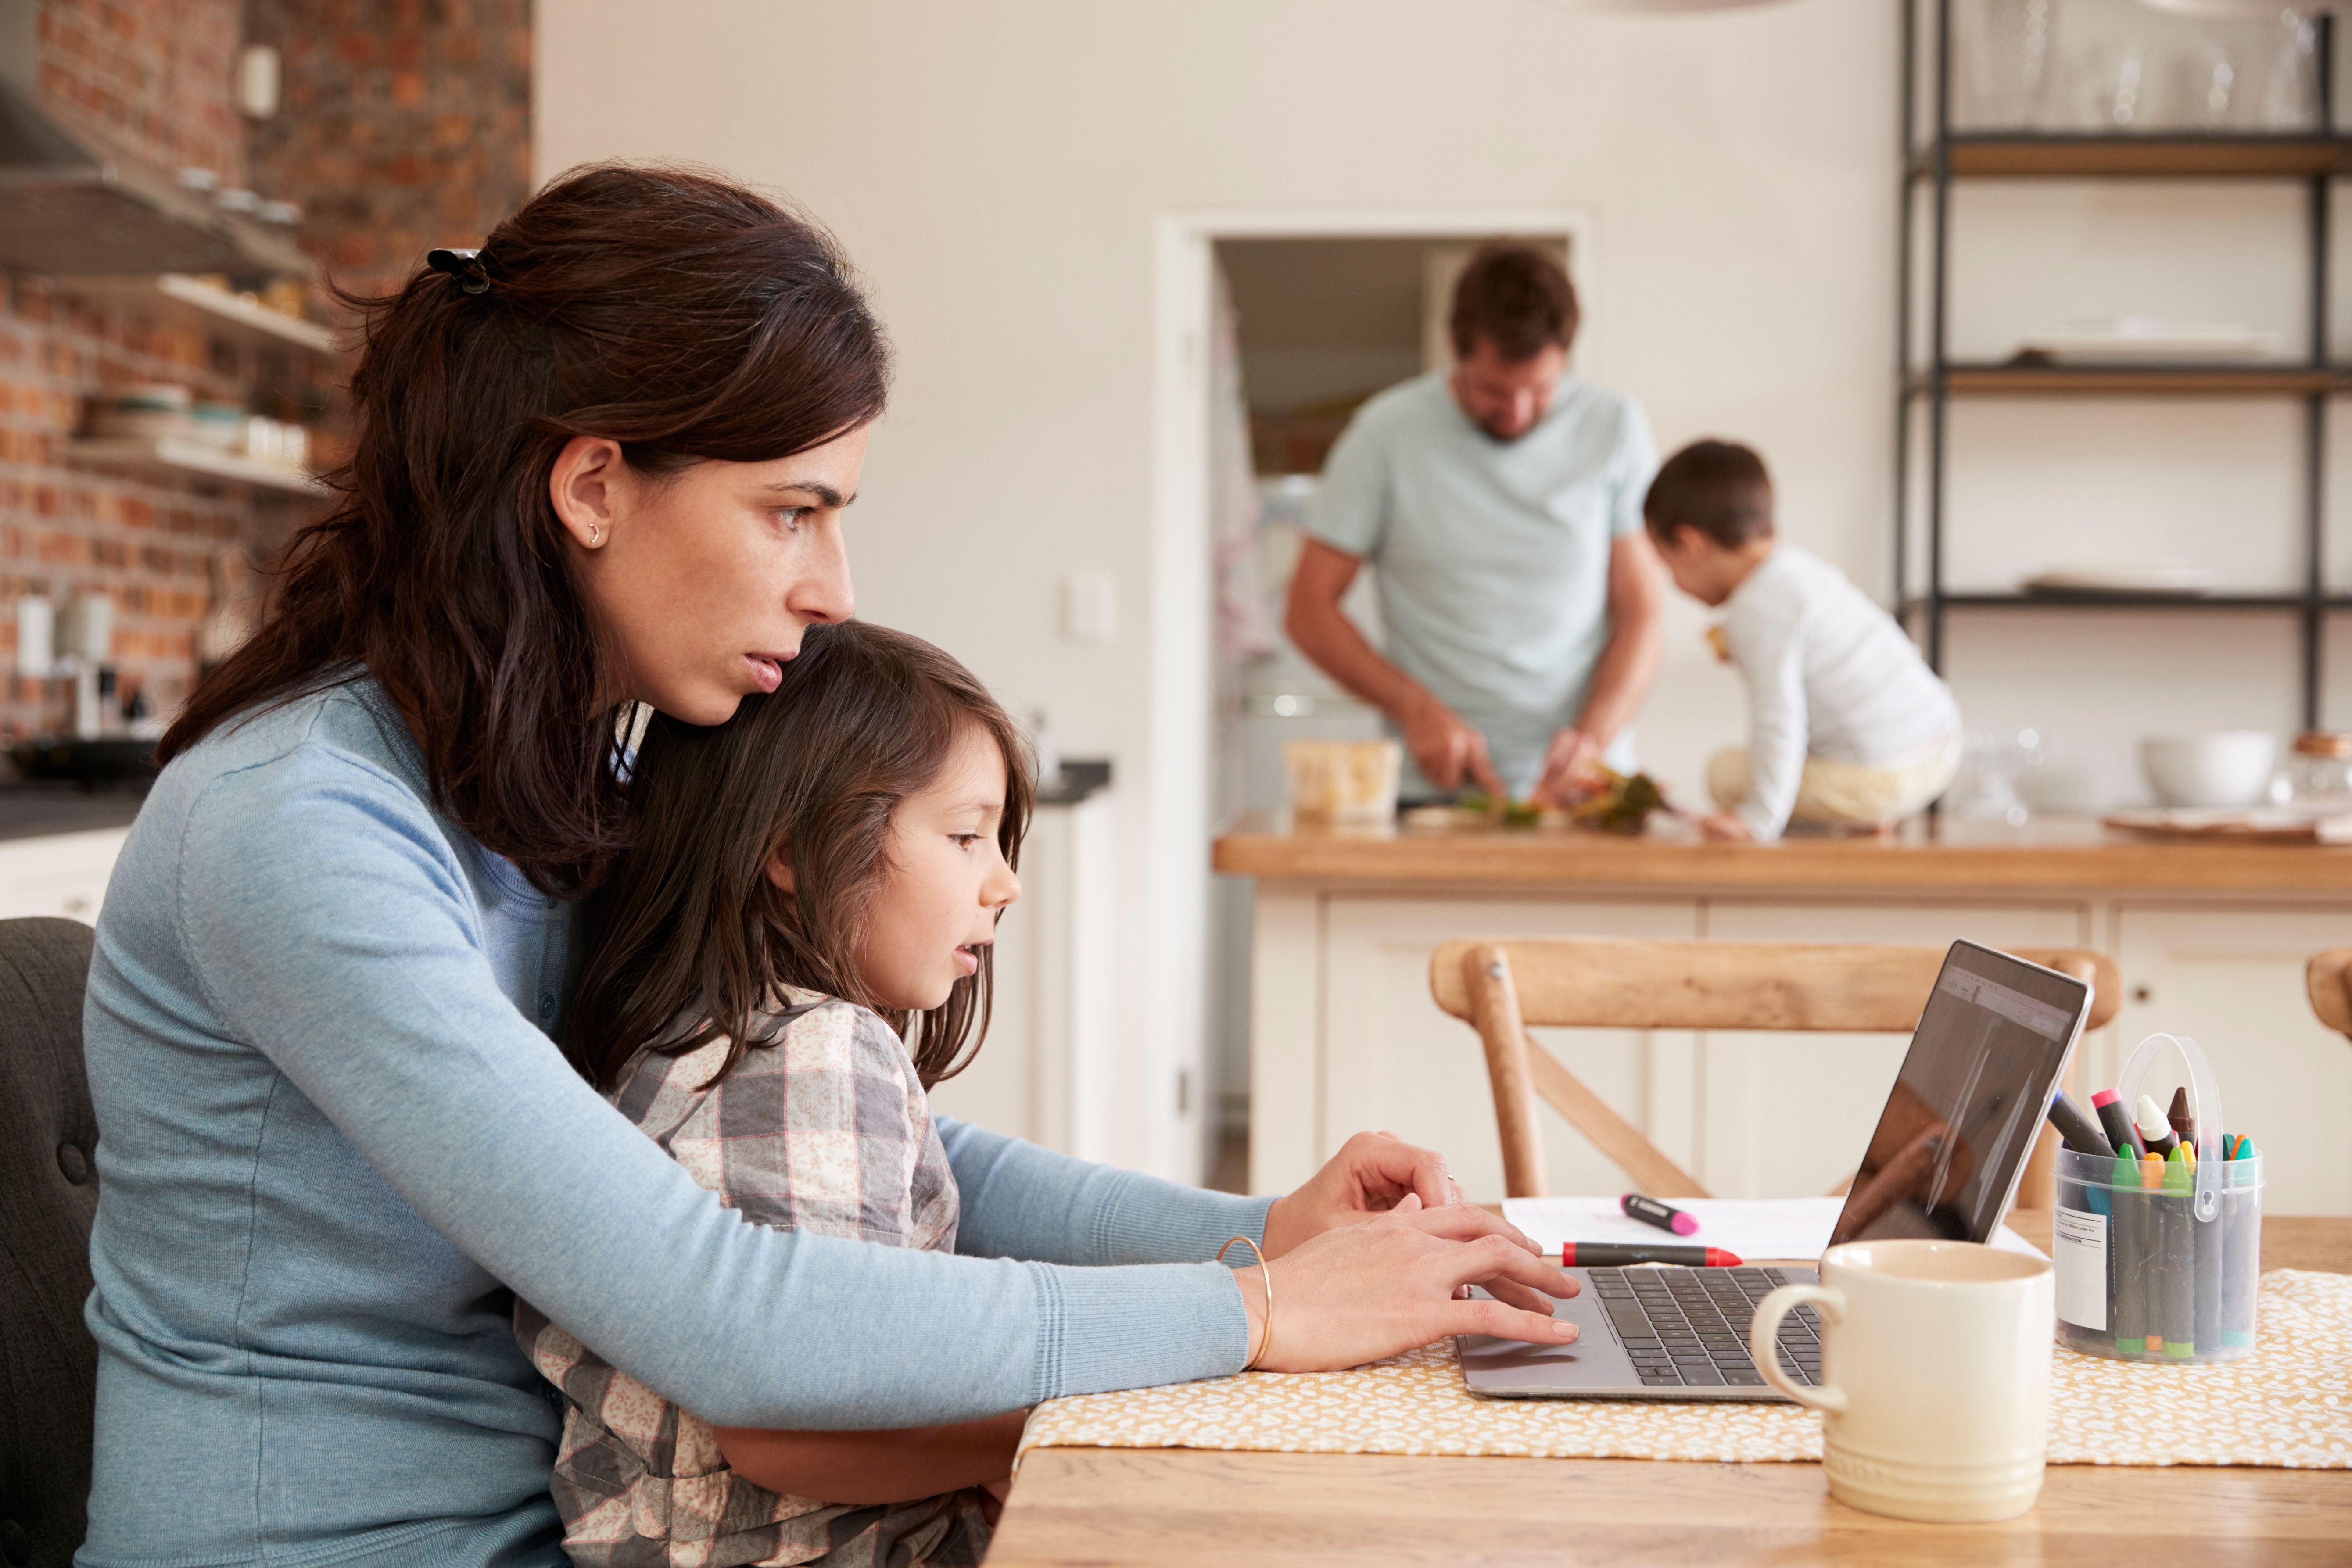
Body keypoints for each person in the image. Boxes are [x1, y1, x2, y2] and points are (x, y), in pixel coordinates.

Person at [76, 164, 1576, 1568]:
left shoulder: (567, 774)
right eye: (793, 511)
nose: (831, 587)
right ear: (592, 486)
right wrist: (1255, 1310)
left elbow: (875, 1144)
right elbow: (721, 1310)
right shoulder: (303, 829)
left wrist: (1261, 1230)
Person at [519, 622, 1033, 1565]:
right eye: (966, 834)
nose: (1002, 879)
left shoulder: (689, 1031)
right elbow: (801, 1421)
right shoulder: (814, 1050)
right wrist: (1057, 1424)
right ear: (792, 849)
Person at [1284, 240, 1666, 805]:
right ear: (1454, 350)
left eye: (1538, 390)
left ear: (1564, 356)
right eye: (1492, 390)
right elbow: (1308, 611)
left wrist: (1592, 738)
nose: (1515, 413)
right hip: (1433, 789)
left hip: (1581, 791)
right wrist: (1413, 708)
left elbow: (1642, 610)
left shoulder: (1613, 427)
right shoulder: (1383, 436)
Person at [1642, 439, 1962, 843]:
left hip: (1882, 776)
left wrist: (1756, 819)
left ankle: (1859, 810)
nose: (1674, 582)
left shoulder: (1755, 609)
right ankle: (1864, 813)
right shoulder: (1798, 573)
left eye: (1667, 563)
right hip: (1939, 748)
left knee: (1724, 774)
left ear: (1690, 544)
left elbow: (1778, 719)